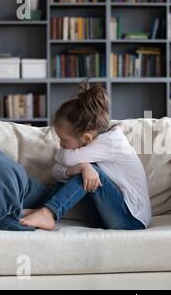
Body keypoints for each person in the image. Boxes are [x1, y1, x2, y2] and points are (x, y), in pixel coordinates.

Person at [20, 82, 152, 231]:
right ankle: (43, 209)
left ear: (86, 138)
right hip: (103, 217)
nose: (61, 146)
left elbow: (65, 159)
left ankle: (48, 213)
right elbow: (57, 171)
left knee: (92, 172)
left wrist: (84, 167)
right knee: (86, 172)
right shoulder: (88, 149)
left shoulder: (111, 141)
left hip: (131, 219)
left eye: (64, 140)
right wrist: (82, 167)